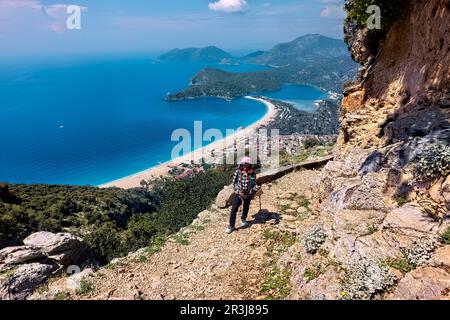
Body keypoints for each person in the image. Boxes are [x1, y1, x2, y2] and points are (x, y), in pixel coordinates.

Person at [226, 157, 263, 234]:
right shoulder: (238, 172)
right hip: (238, 193)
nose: (245, 166)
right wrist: (238, 191)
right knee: (234, 208)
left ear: (249, 165)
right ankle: (231, 225)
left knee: (246, 207)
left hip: (248, 194)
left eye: (247, 164)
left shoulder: (252, 174)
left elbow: (253, 184)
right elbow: (234, 183)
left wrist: (255, 189)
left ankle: (243, 219)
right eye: (244, 164)